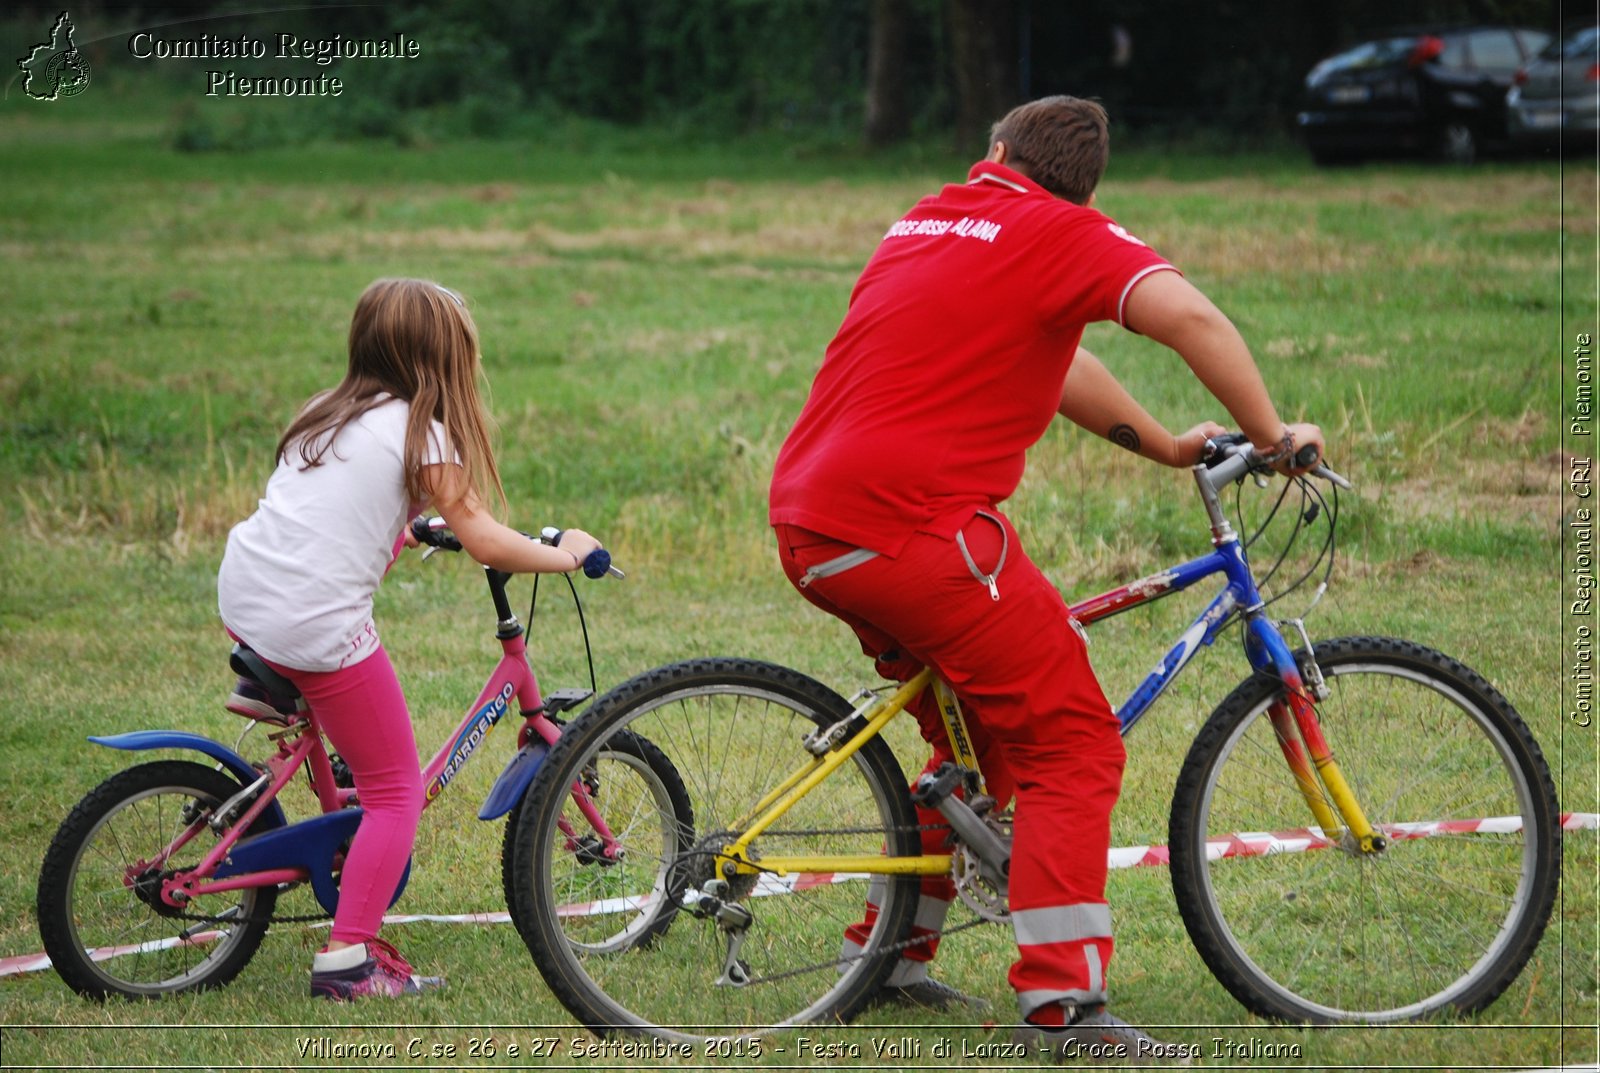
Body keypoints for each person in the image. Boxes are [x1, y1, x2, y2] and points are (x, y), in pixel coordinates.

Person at [768, 96, 1324, 1062]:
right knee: (1074, 746)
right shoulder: (1063, 231)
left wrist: (1161, 444)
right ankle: (1067, 1009)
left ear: (997, 151)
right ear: (1088, 185)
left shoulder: (934, 215)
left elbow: (1047, 360)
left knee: (976, 752)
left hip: (815, 519)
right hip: (914, 530)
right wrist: (1275, 438)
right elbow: (1188, 313)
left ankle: (890, 957)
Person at [217, 278, 602, 1001]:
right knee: (397, 793)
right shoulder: (424, 430)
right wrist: (568, 554)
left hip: (246, 592)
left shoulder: (325, 413)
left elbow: (335, 508)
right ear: (443, 356)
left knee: (358, 756)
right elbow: (486, 539)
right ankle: (347, 963)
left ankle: (277, 698)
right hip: (312, 620)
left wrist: (413, 523)